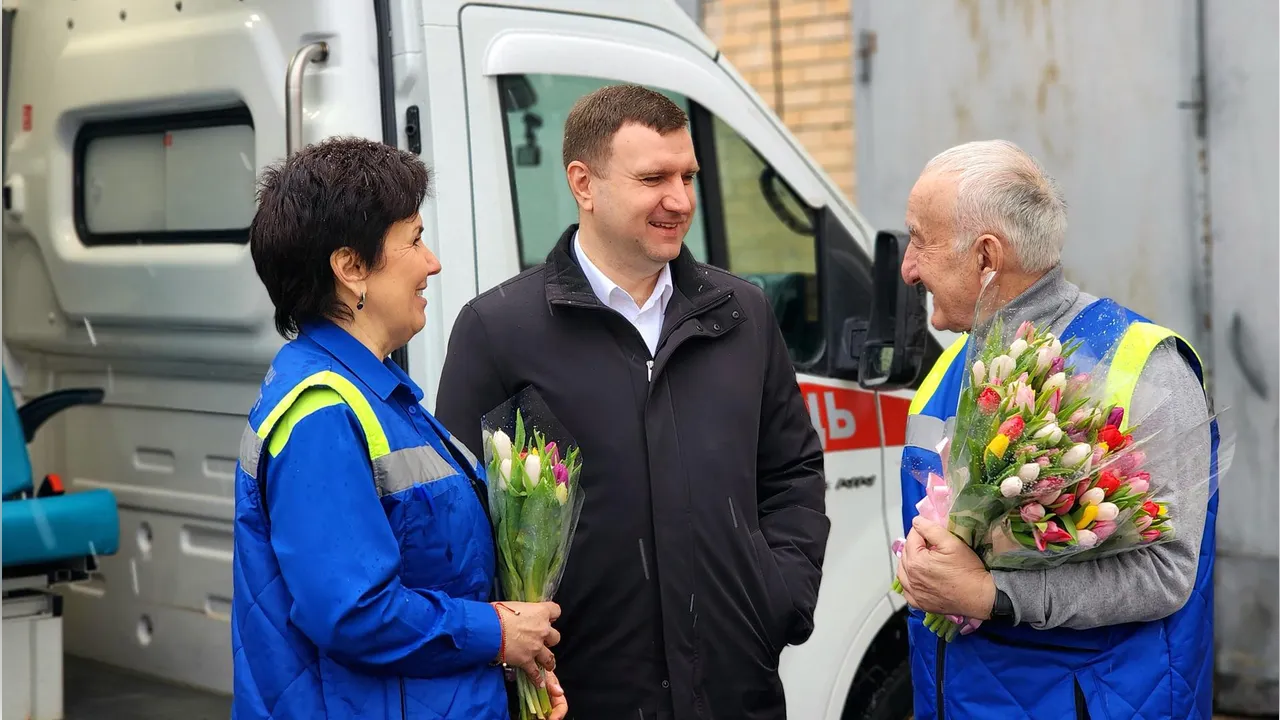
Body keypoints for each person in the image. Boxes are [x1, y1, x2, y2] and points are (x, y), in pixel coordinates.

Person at [435, 85, 830, 719]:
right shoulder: (499, 329)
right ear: (583, 183)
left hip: (734, 690)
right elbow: (455, 523)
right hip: (578, 695)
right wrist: (509, 642)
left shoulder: (742, 315)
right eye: (654, 178)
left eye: (688, 176)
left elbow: (791, 473)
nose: (680, 201)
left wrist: (777, 598)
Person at [230, 137, 568, 720]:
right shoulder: (322, 414)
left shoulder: (376, 393)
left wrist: (514, 659)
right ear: (350, 268)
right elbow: (353, 613)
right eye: (412, 240)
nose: (431, 262)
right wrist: (497, 632)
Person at [893, 139, 1218, 719]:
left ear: (986, 257)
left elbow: (1168, 573)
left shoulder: (1146, 368)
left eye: (921, 239)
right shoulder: (951, 365)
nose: (908, 267)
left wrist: (995, 597)